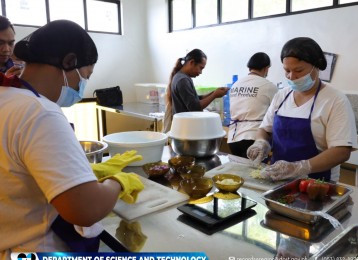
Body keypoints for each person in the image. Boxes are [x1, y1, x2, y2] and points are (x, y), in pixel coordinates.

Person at [0, 20, 144, 256]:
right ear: (69, 62)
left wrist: (81, 175)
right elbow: (86, 209)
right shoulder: (40, 112)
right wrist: (118, 181)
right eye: (85, 75)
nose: (82, 86)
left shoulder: (7, 96)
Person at [247, 37, 358, 182]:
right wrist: (261, 142)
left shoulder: (335, 100)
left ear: (316, 67)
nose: (292, 77)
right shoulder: (281, 96)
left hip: (316, 184)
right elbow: (265, 130)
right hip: (276, 179)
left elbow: (341, 151)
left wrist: (299, 168)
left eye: (298, 70)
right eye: (287, 70)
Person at [163, 49, 228, 133]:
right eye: (200, 68)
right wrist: (214, 95)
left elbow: (196, 99)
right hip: (185, 130)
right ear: (192, 62)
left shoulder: (182, 77)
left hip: (184, 128)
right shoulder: (182, 80)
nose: (201, 72)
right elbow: (195, 107)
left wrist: (214, 92)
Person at [227, 52, 278, 158]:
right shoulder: (268, 86)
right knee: (254, 173)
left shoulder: (236, 84)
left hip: (233, 138)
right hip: (254, 138)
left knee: (240, 171)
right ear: (266, 68)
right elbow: (277, 112)